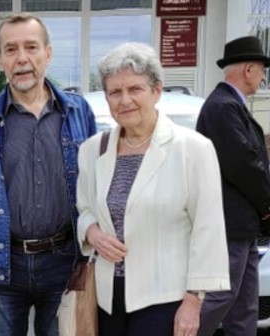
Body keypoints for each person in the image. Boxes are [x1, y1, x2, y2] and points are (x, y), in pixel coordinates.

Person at [0, 13, 96, 336]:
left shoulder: (78, 112)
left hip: (65, 262)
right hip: (2, 265)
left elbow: (97, 183)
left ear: (48, 53)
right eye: (11, 49)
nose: (22, 58)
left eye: (31, 47)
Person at [76, 42, 230, 336]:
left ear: (156, 90)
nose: (125, 100)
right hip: (108, 299)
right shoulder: (93, 150)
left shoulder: (192, 148)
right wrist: (93, 233)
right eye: (115, 92)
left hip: (165, 299)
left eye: (135, 89)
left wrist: (193, 302)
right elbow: (83, 210)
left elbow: (208, 229)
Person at [196, 36, 270, 336]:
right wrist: (267, 206)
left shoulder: (229, 106)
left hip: (243, 226)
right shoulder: (223, 107)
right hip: (230, 226)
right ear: (249, 69)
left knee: (245, 305)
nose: (264, 77)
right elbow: (244, 165)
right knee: (220, 296)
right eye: (263, 70)